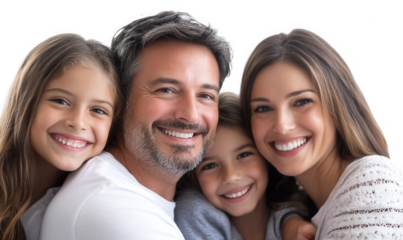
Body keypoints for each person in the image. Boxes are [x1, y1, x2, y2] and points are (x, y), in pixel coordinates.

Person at [40, 10, 235, 239]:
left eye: (205, 95)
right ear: (120, 102)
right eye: (167, 90)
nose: (191, 115)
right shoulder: (117, 211)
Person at [239, 28, 403, 239]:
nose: (281, 125)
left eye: (302, 102)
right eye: (263, 108)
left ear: (338, 103)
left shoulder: (372, 183)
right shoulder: (302, 207)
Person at [0, 33, 122, 240]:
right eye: (61, 101)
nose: (78, 122)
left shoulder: (97, 205)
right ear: (24, 102)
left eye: (98, 110)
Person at [175, 91, 317, 240]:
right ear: (193, 175)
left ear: (266, 156)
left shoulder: (302, 218)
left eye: (243, 155)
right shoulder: (194, 212)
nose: (230, 176)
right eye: (210, 166)